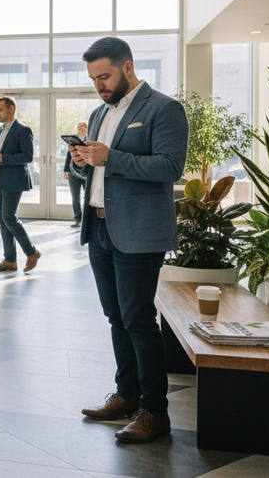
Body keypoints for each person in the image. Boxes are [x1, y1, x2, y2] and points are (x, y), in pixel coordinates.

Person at [68, 37, 188, 444]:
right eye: (93, 79)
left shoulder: (164, 109)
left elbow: (170, 167)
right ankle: (126, 394)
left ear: (128, 67)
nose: (98, 85)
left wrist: (110, 158)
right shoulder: (99, 113)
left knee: (138, 320)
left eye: (104, 76)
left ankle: (155, 412)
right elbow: (96, 172)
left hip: (138, 232)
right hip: (100, 228)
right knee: (116, 317)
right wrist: (83, 162)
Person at [0, 96, 41, 273]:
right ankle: (10, 260)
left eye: (0, 109)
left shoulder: (23, 130)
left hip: (13, 181)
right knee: (2, 221)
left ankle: (31, 252)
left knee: (9, 218)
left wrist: (2, 158)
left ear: (11, 109)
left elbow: (27, 156)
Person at [63, 121, 88, 228]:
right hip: (72, 172)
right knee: (75, 197)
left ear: (86, 128)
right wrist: (65, 170)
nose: (79, 128)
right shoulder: (73, 140)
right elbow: (69, 156)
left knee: (87, 197)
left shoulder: (91, 138)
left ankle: (86, 219)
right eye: (78, 126)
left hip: (86, 173)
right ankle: (77, 219)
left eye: (82, 126)